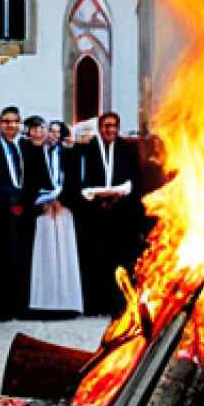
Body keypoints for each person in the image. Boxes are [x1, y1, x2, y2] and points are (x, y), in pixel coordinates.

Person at [75, 111, 143, 315]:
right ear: (100, 127)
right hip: (94, 211)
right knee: (95, 256)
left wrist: (118, 193)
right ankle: (96, 303)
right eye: (107, 126)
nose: (110, 130)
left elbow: (133, 179)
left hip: (120, 211)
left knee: (119, 258)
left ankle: (118, 303)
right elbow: (82, 180)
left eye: (114, 126)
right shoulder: (87, 149)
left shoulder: (127, 149)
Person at [24, 116, 82, 314]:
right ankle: (44, 302)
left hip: (63, 207)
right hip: (43, 208)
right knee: (45, 252)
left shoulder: (69, 154)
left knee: (65, 254)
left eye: (58, 130)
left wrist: (62, 200)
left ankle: (67, 301)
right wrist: (44, 201)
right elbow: (30, 182)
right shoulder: (35, 154)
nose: (54, 134)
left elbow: (74, 181)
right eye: (50, 130)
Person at [0, 106, 34, 320]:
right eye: (6, 122)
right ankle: (1, 307)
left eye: (15, 122)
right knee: (3, 258)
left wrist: (24, 200)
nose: (11, 126)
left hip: (25, 209)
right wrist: (10, 198)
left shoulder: (26, 148)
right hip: (0, 210)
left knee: (23, 258)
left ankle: (21, 305)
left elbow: (32, 178)